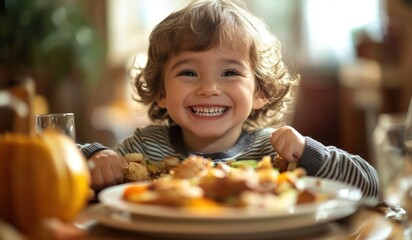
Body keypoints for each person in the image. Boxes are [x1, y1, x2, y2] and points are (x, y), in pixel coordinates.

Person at [80, 0, 379, 199]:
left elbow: (370, 185)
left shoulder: (275, 155)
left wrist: (307, 152)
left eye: (229, 73)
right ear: (161, 91)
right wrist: (96, 157)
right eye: (188, 72)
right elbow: (59, 173)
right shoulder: (143, 148)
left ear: (260, 91)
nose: (209, 88)